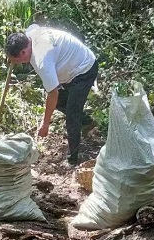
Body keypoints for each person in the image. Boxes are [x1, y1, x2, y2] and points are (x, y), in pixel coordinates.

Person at [5, 24, 98, 165]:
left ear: (24, 52)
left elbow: (52, 93)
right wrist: (12, 56)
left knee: (72, 115)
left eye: (16, 60)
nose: (18, 64)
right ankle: (86, 122)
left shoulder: (42, 59)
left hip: (84, 69)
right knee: (61, 102)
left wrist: (45, 123)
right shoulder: (30, 35)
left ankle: (73, 160)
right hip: (70, 69)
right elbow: (33, 25)